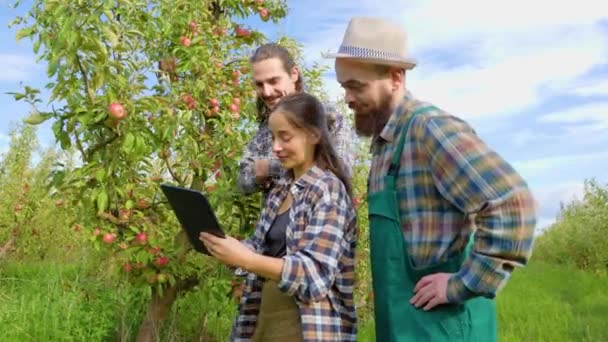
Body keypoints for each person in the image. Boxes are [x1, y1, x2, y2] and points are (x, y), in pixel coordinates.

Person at [323, 17, 537, 341]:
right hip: (402, 323)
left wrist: (462, 284)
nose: (348, 98)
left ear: (395, 78)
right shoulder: (385, 147)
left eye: (357, 86)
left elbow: (513, 203)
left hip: (442, 328)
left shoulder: (429, 130)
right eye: (344, 87)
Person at [200, 92, 358, 341]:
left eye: (285, 137)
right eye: (273, 137)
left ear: (315, 135)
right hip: (264, 319)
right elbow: (260, 247)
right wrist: (227, 247)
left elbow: (313, 275)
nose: (276, 147)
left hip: (306, 327)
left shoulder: (327, 189)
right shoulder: (281, 188)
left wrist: (245, 259)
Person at [237, 43, 356, 199]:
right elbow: (243, 180)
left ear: (294, 74)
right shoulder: (266, 127)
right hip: (276, 220)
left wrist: (269, 168)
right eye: (260, 84)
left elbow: (341, 170)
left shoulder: (328, 116)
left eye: (273, 81)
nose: (267, 92)